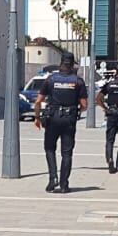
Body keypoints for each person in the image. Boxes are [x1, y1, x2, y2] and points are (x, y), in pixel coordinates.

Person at [34, 53, 89, 193]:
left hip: (52, 118)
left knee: (49, 148)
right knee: (67, 153)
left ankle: (53, 178)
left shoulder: (51, 79)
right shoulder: (78, 81)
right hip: (69, 120)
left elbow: (38, 101)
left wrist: (37, 118)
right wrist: (76, 111)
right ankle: (64, 184)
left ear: (61, 64)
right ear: (72, 65)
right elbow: (84, 105)